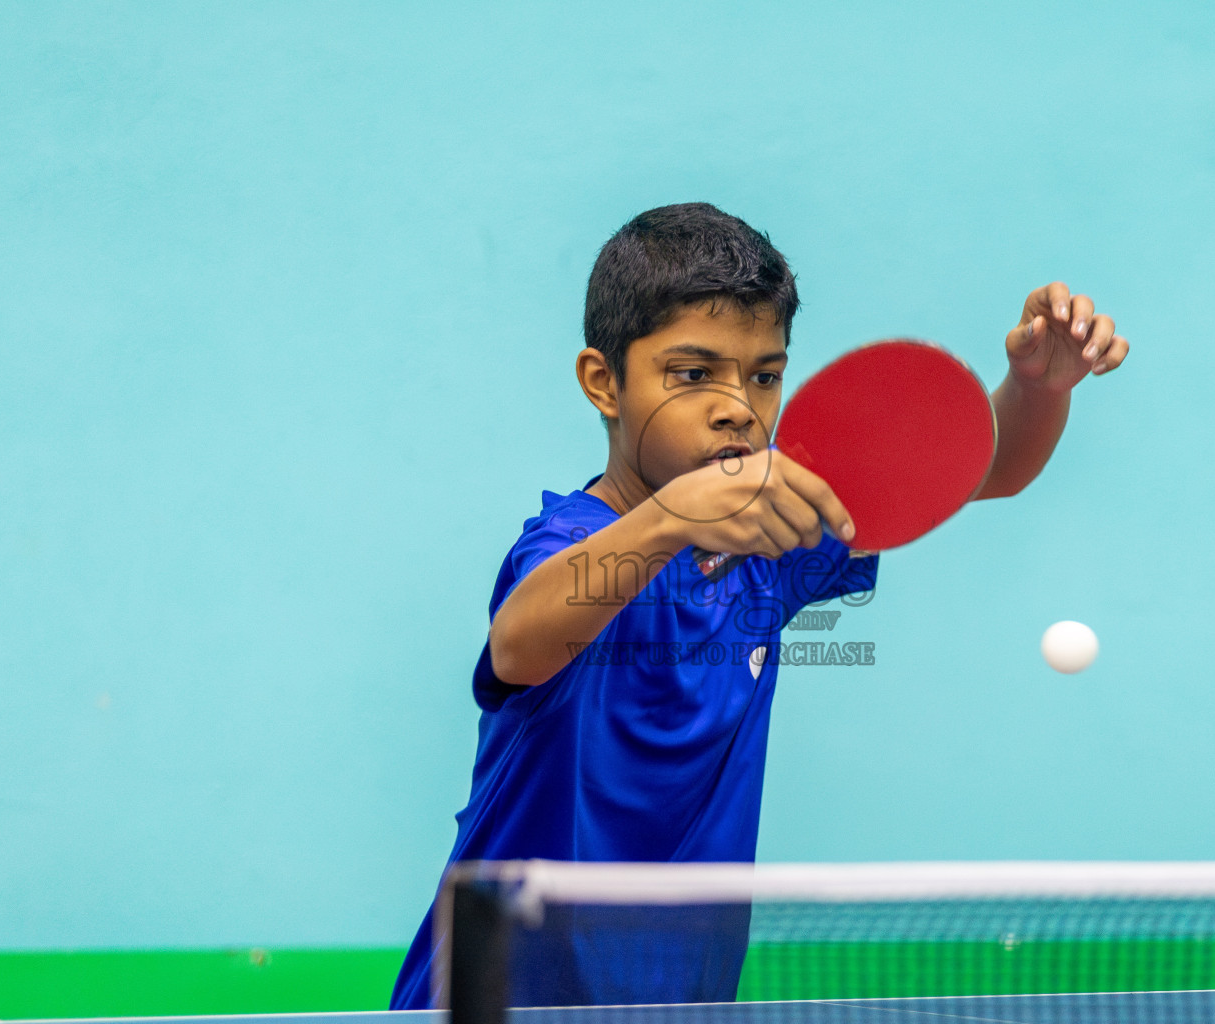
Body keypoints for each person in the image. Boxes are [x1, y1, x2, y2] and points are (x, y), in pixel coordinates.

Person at [390, 202, 1129, 1009]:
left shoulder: (769, 540)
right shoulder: (572, 540)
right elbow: (522, 642)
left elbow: (987, 467)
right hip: (495, 1004)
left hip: (675, 1004)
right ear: (605, 382)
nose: (738, 406)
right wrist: (673, 517)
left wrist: (1038, 386)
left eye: (765, 376)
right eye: (692, 374)